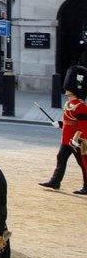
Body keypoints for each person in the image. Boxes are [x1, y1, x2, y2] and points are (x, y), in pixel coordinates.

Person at [39, 64, 87, 193]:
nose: (66, 90)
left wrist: (76, 139)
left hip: (77, 141)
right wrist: (59, 124)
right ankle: (55, 182)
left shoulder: (81, 106)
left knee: (83, 163)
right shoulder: (69, 104)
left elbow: (82, 125)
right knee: (61, 158)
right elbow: (69, 122)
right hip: (67, 140)